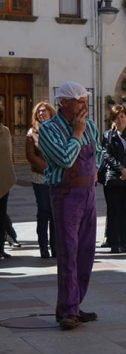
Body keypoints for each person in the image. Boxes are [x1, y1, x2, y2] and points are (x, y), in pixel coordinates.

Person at [38, 81, 105, 330]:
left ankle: (75, 304)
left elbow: (98, 151)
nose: (84, 104)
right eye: (79, 100)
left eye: (85, 99)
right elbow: (65, 159)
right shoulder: (49, 129)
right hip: (65, 195)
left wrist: (95, 171)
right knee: (68, 251)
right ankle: (67, 310)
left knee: (86, 252)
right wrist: (77, 132)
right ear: (63, 103)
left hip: (87, 193)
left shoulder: (91, 125)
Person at [101, 105, 126, 254]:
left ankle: (125, 241)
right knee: (114, 211)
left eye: (123, 116)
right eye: (117, 117)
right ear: (113, 120)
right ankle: (114, 243)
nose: (120, 120)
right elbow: (106, 155)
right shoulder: (108, 135)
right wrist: (121, 169)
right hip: (113, 178)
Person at [26, 101, 57, 258]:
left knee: (55, 213)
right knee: (44, 211)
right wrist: (48, 168)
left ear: (51, 113)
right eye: (39, 111)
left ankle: (56, 247)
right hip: (40, 177)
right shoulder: (32, 133)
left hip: (56, 179)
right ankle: (43, 247)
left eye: (44, 111)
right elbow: (31, 156)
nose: (41, 113)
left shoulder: (58, 131)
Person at [0, 104, 15, 261]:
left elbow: (8, 155)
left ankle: (1, 248)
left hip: (3, 179)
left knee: (1, 215)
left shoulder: (6, 131)